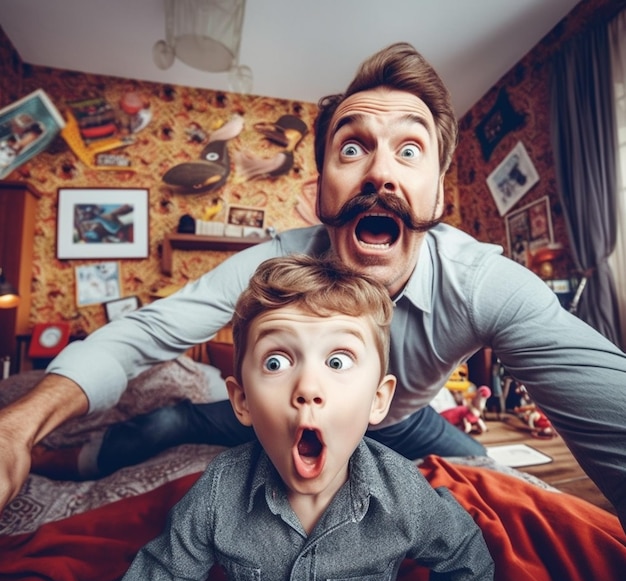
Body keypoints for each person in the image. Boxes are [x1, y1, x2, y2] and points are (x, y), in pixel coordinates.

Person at [2, 41, 626, 534]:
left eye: (410, 151)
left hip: (398, 424)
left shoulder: (485, 283)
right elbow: (145, 332)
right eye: (353, 147)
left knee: (481, 466)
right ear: (319, 190)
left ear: (438, 194)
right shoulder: (277, 262)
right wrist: (22, 423)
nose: (380, 171)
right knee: (171, 422)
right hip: (290, 415)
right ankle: (72, 458)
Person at [101, 255, 498, 581]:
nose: (308, 387)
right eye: (276, 362)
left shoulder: (403, 494)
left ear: (378, 400)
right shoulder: (218, 493)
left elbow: (464, 555)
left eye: (338, 361)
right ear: (241, 401)